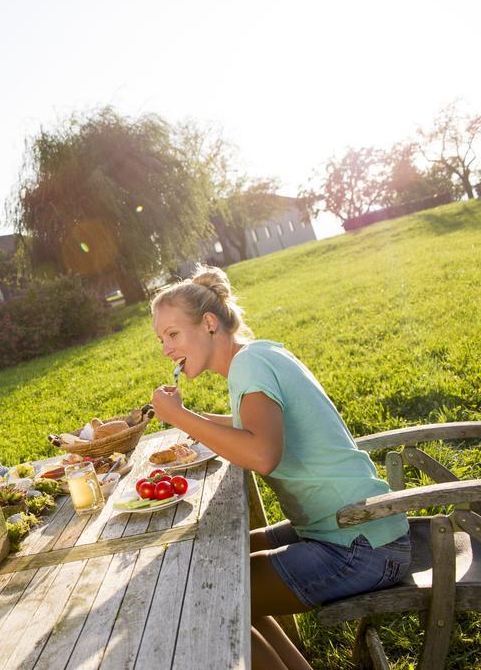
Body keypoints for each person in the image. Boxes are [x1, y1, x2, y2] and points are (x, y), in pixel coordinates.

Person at [148, 265, 411, 670]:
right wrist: (192, 416)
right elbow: (246, 430)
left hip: (360, 544)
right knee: (222, 557)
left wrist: (182, 418)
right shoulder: (258, 355)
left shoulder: (249, 367)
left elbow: (261, 454)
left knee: (210, 592)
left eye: (172, 334)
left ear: (209, 323)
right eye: (161, 339)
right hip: (356, 527)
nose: (166, 348)